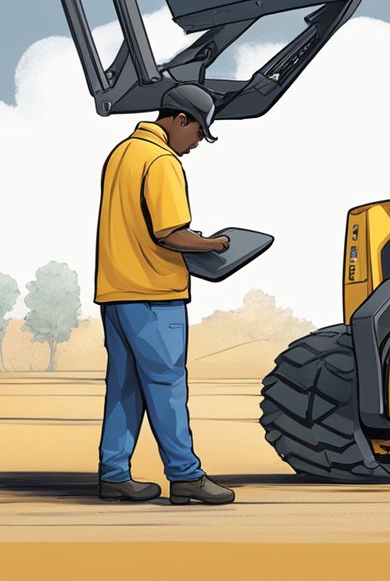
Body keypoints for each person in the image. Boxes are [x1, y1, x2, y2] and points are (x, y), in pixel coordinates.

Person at [94, 83, 236, 505]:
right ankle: (186, 476)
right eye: (197, 133)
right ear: (179, 120)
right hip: (155, 293)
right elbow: (169, 232)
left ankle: (114, 473)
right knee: (166, 384)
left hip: (116, 292)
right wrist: (213, 244)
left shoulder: (122, 152)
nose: (196, 144)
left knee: (124, 386)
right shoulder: (161, 161)